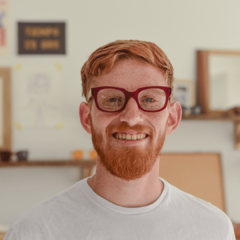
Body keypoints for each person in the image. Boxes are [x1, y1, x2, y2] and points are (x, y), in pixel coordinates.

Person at [4, 40, 236, 240]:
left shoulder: (212, 230)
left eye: (149, 99)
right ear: (87, 118)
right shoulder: (33, 231)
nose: (132, 117)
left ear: (172, 118)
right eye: (113, 99)